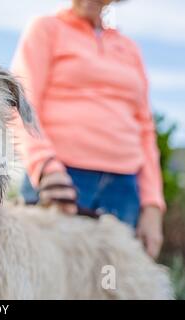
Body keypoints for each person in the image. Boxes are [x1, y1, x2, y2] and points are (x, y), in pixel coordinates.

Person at [12, 0, 165, 258]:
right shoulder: (45, 29)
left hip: (123, 189)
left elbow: (145, 130)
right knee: (50, 279)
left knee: (109, 282)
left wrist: (152, 206)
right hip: (62, 180)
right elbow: (21, 107)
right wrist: (45, 167)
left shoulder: (129, 49)